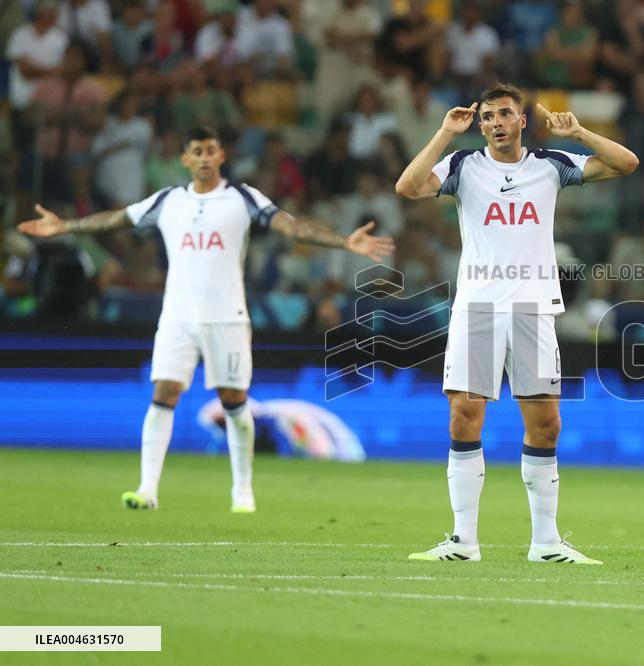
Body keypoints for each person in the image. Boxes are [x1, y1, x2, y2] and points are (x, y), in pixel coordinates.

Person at [18, 126, 395, 513]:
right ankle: (147, 489)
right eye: (196, 151)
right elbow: (117, 218)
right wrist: (66, 226)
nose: (204, 158)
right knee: (164, 393)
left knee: (234, 401)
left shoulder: (242, 198)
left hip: (226, 318)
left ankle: (242, 491)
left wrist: (343, 241)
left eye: (210, 150)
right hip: (177, 317)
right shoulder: (168, 200)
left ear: (221, 156)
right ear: (185, 159)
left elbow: (292, 226)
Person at [395, 83, 638, 564]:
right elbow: (408, 187)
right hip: (478, 307)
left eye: (505, 113)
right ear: (481, 125)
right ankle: (463, 541)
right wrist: (445, 133)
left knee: (545, 423)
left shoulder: (550, 164)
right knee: (464, 416)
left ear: (522, 120)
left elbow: (625, 163)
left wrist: (579, 132)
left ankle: (545, 543)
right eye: (487, 116)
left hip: (532, 308)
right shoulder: (463, 165)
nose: (496, 123)